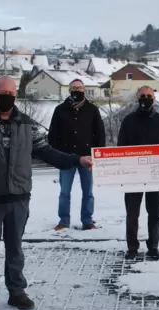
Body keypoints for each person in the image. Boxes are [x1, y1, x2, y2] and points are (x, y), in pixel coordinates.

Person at [0, 76, 92, 310]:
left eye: (11, 92)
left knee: (15, 249)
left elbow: (47, 151)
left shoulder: (26, 124)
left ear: (15, 96)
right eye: (2, 93)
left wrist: (77, 159)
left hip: (19, 198)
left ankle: (17, 291)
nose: (7, 96)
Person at [117, 86, 159, 261]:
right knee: (132, 212)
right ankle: (132, 247)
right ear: (137, 97)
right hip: (133, 173)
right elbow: (120, 147)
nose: (145, 98)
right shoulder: (128, 120)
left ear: (154, 99)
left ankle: (153, 246)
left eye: (149, 96)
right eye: (142, 95)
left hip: (155, 173)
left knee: (154, 211)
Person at [48, 79, 105, 230]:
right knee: (64, 192)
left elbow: (99, 133)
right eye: (74, 88)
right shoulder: (60, 109)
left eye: (79, 88)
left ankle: (87, 221)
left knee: (88, 192)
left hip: (87, 158)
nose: (77, 91)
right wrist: (57, 154)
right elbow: (53, 134)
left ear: (84, 90)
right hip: (66, 157)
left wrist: (98, 154)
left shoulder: (92, 110)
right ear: (69, 90)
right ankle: (63, 221)